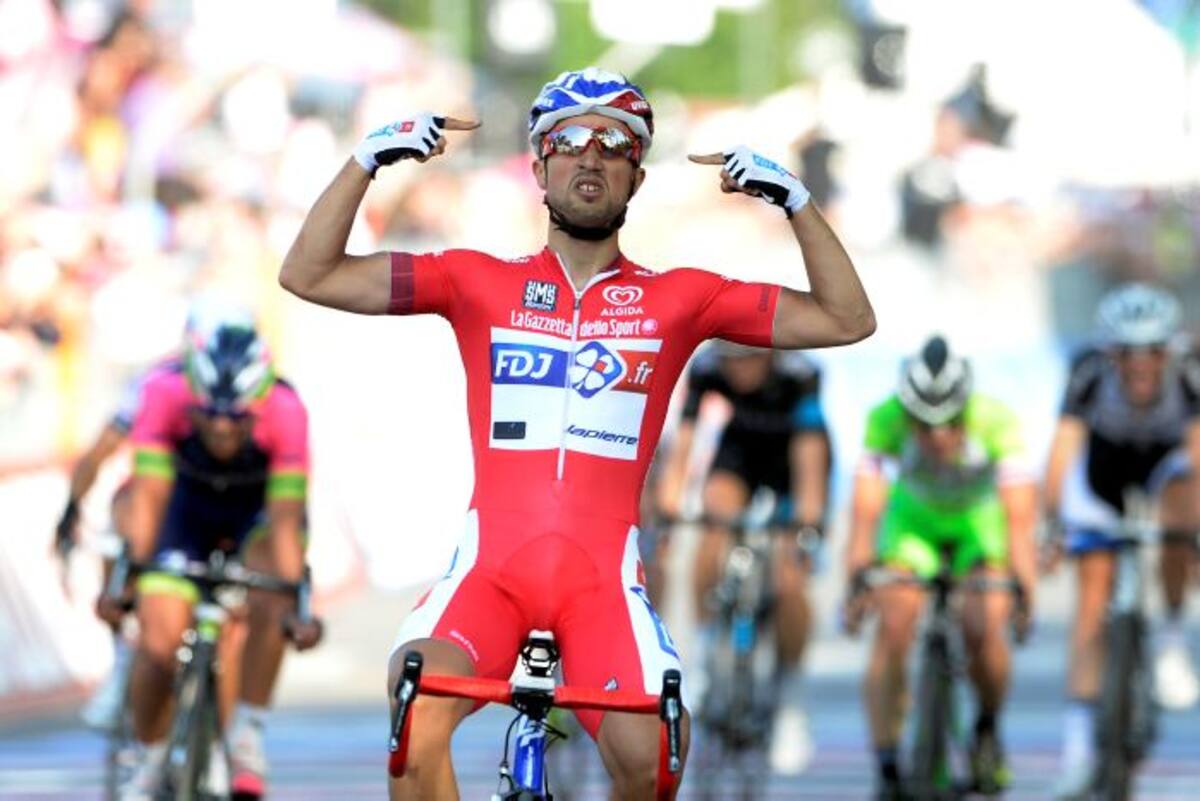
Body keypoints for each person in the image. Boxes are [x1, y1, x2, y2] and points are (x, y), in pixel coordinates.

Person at [278, 67, 875, 800]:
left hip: (602, 587)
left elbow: (848, 319)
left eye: (615, 142)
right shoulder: (475, 280)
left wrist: (796, 202)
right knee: (415, 716)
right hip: (488, 577)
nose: (590, 155)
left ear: (637, 176)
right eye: (569, 139)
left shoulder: (680, 297)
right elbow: (309, 273)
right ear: (538, 167)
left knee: (654, 753)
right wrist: (367, 161)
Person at [102, 303, 322, 801]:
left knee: (274, 590)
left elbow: (287, 519)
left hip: (255, 516)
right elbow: (150, 496)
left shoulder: (287, 409)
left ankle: (247, 732)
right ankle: (150, 758)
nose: (222, 431)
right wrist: (129, 576)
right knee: (158, 648)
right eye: (210, 418)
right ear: (193, 397)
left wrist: (294, 605)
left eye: (237, 420)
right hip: (184, 511)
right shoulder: (162, 392)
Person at [843, 335, 1036, 801]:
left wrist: (1023, 585)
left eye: (949, 424)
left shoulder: (996, 420)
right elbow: (867, 509)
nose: (936, 437)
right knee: (892, 626)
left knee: (983, 625)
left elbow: (1019, 516)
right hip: (914, 523)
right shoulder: (884, 418)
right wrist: (857, 574)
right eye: (923, 426)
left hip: (977, 524)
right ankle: (888, 764)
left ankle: (987, 728)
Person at [1045, 282, 1200, 799]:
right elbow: (1064, 452)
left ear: (1169, 352)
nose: (1140, 364)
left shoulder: (1190, 376)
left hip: (1166, 470)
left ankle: (1172, 637)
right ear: (1109, 352)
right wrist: (1051, 522)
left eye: (1153, 352)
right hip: (1103, 476)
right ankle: (1076, 751)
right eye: (1127, 353)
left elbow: (1199, 456)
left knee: (1184, 499)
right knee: (1092, 599)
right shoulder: (1088, 373)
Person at [655, 340, 830, 775]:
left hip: (791, 462)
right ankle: (705, 648)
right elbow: (687, 439)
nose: (738, 372)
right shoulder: (709, 367)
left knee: (789, 581)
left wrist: (807, 523)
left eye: (747, 362)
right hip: (739, 457)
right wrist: (670, 507)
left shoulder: (800, 372)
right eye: (731, 363)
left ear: (768, 355)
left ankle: (790, 697)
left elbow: (810, 457)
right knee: (712, 528)